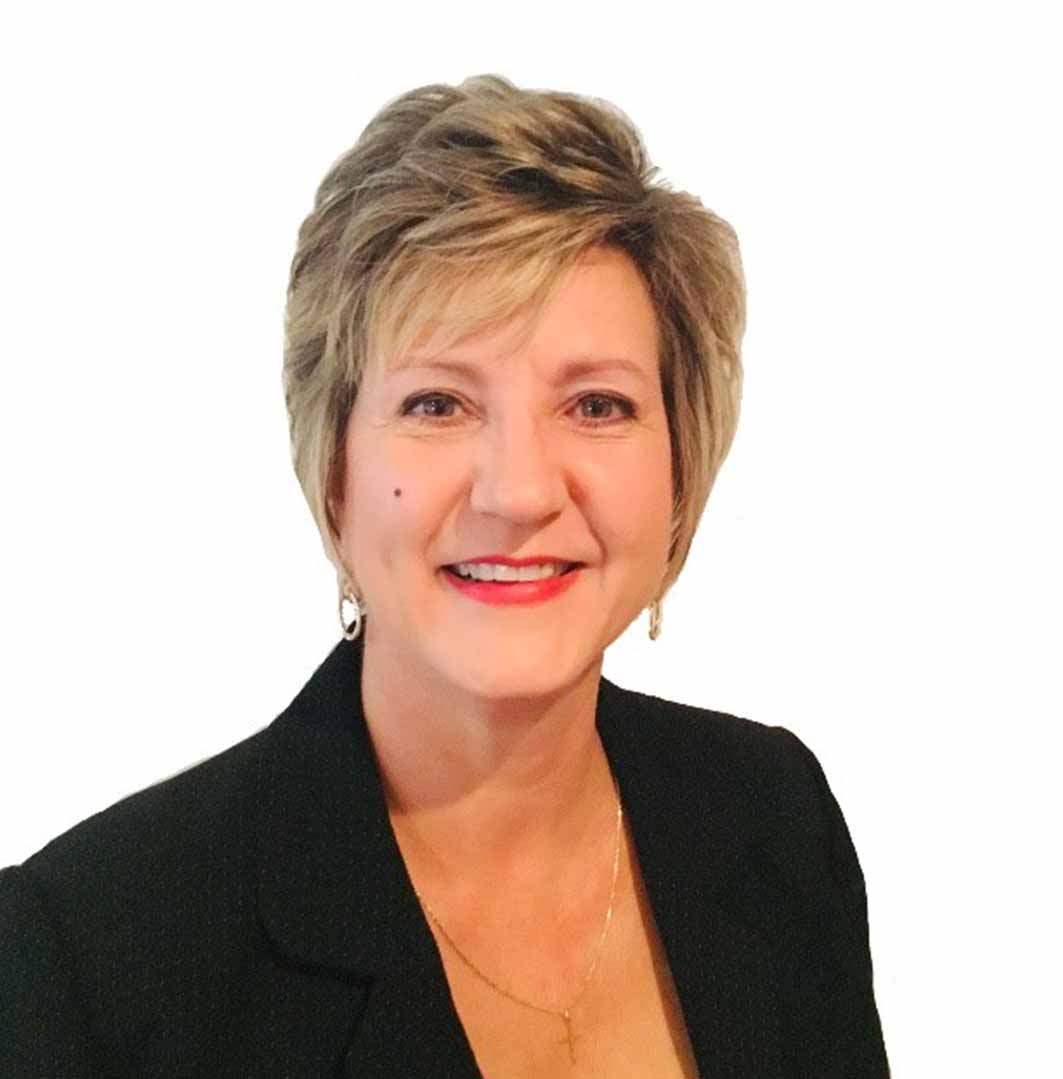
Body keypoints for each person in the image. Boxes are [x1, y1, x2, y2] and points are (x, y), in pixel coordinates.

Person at [1, 74, 889, 1077]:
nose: (518, 490)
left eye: (596, 405)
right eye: (436, 404)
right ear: (334, 467)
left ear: (680, 461)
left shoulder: (774, 816)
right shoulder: (83, 956)